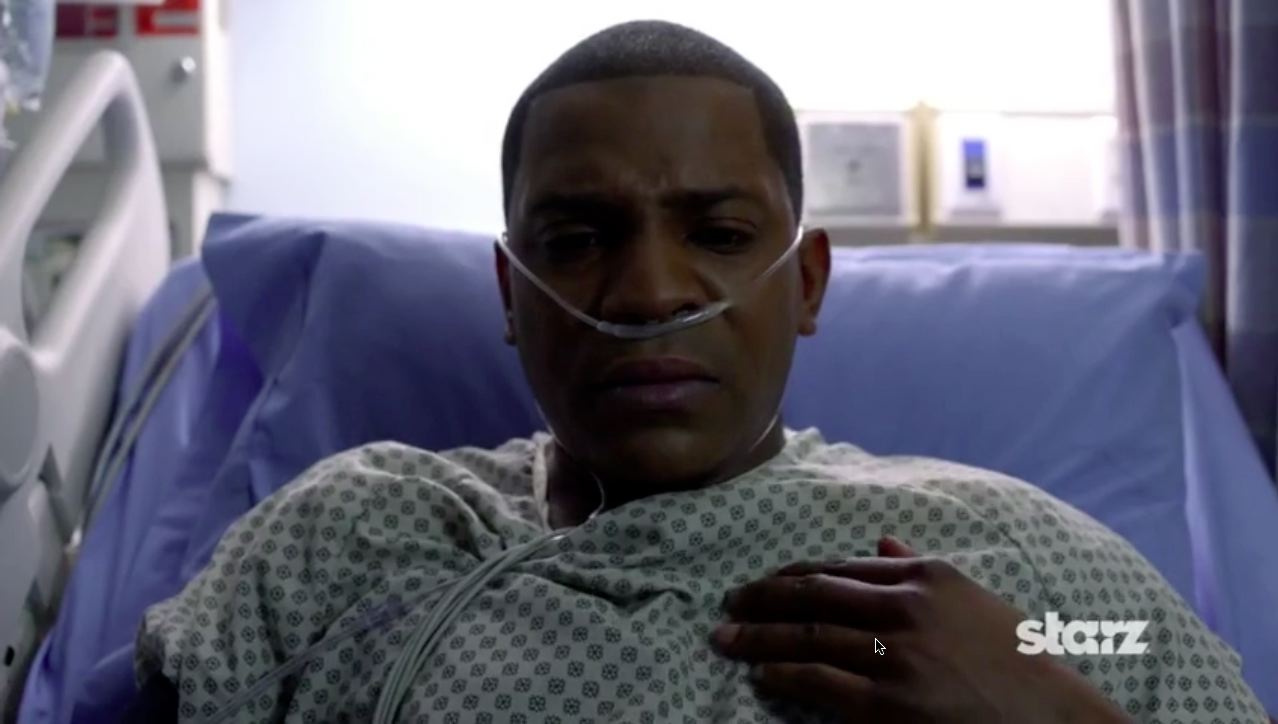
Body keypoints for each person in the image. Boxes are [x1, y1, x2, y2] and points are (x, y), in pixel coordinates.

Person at [126, 20, 1268, 724]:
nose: (647, 293)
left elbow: (1122, 649)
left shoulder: (1004, 566)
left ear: (805, 283)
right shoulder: (349, 538)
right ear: (510, 294)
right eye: (578, 238)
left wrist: (1042, 693)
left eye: (718, 234)